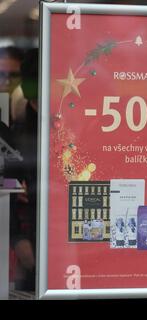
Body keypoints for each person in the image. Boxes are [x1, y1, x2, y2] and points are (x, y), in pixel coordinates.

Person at [6, 48, 38, 291]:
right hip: (32, 246)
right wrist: (18, 238)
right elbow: (7, 189)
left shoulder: (81, 127)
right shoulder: (16, 139)